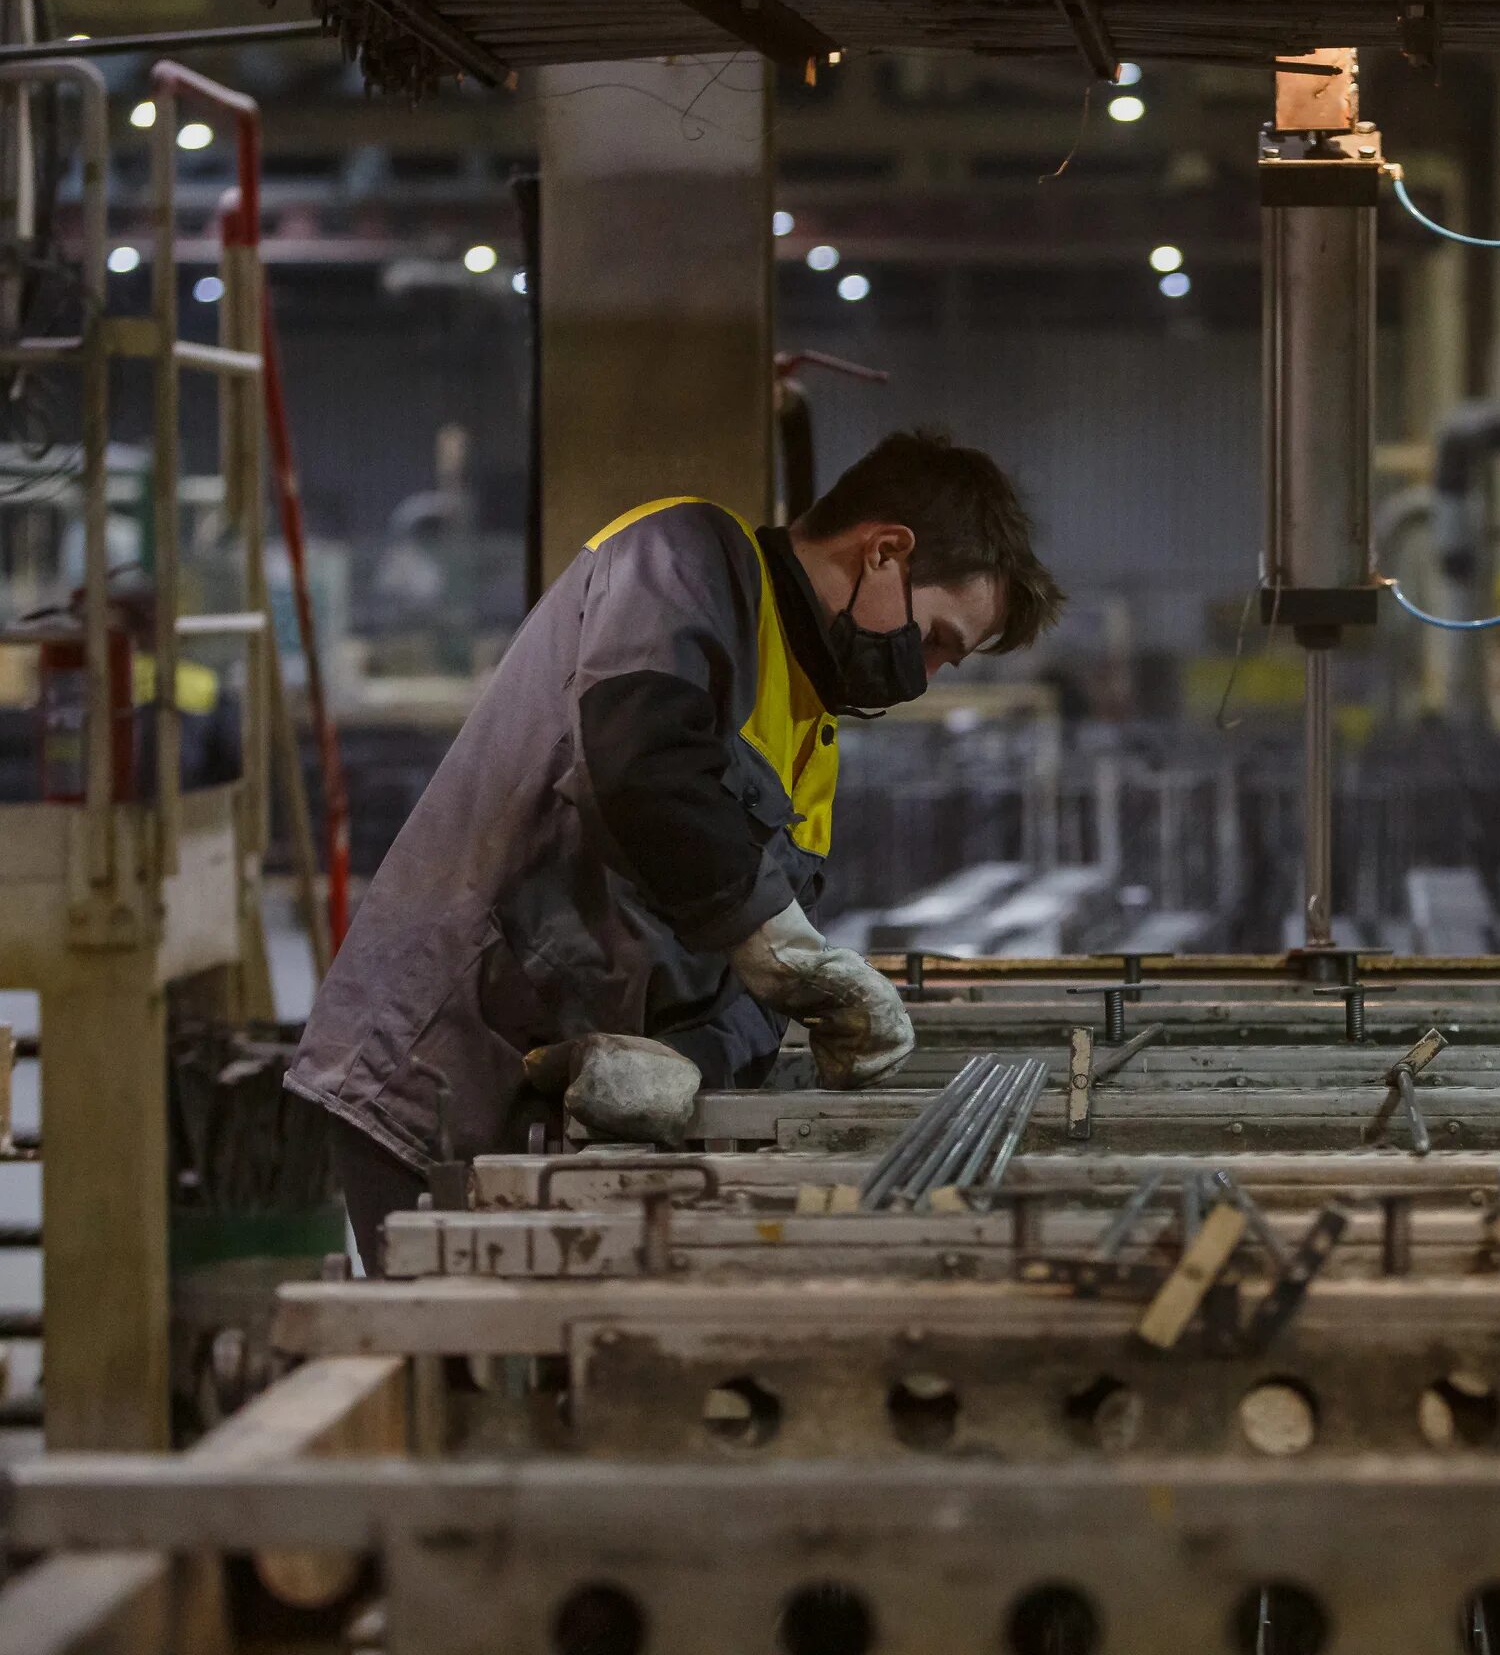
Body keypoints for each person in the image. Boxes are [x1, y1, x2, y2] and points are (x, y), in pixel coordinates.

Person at [290, 427, 1064, 1271]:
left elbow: (754, 988)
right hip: (442, 1071)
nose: (930, 672)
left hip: (568, 1114)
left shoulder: (810, 740)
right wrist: (779, 941)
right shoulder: (681, 557)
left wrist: (687, 1058)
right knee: (442, 1374)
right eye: (940, 639)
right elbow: (643, 764)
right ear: (885, 552)